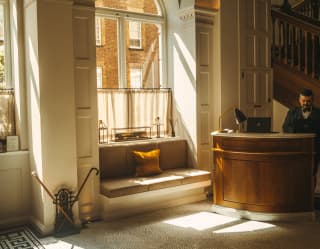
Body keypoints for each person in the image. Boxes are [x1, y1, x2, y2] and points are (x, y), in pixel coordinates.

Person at [282, 88, 320, 192]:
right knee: (296, 172)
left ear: (312, 100)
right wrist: (294, 131)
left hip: (314, 148)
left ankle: (310, 195)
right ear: (299, 100)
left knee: (312, 172)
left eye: (308, 101)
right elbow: (285, 127)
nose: (306, 103)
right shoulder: (292, 112)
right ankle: (297, 193)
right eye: (304, 101)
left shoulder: (318, 113)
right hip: (296, 148)